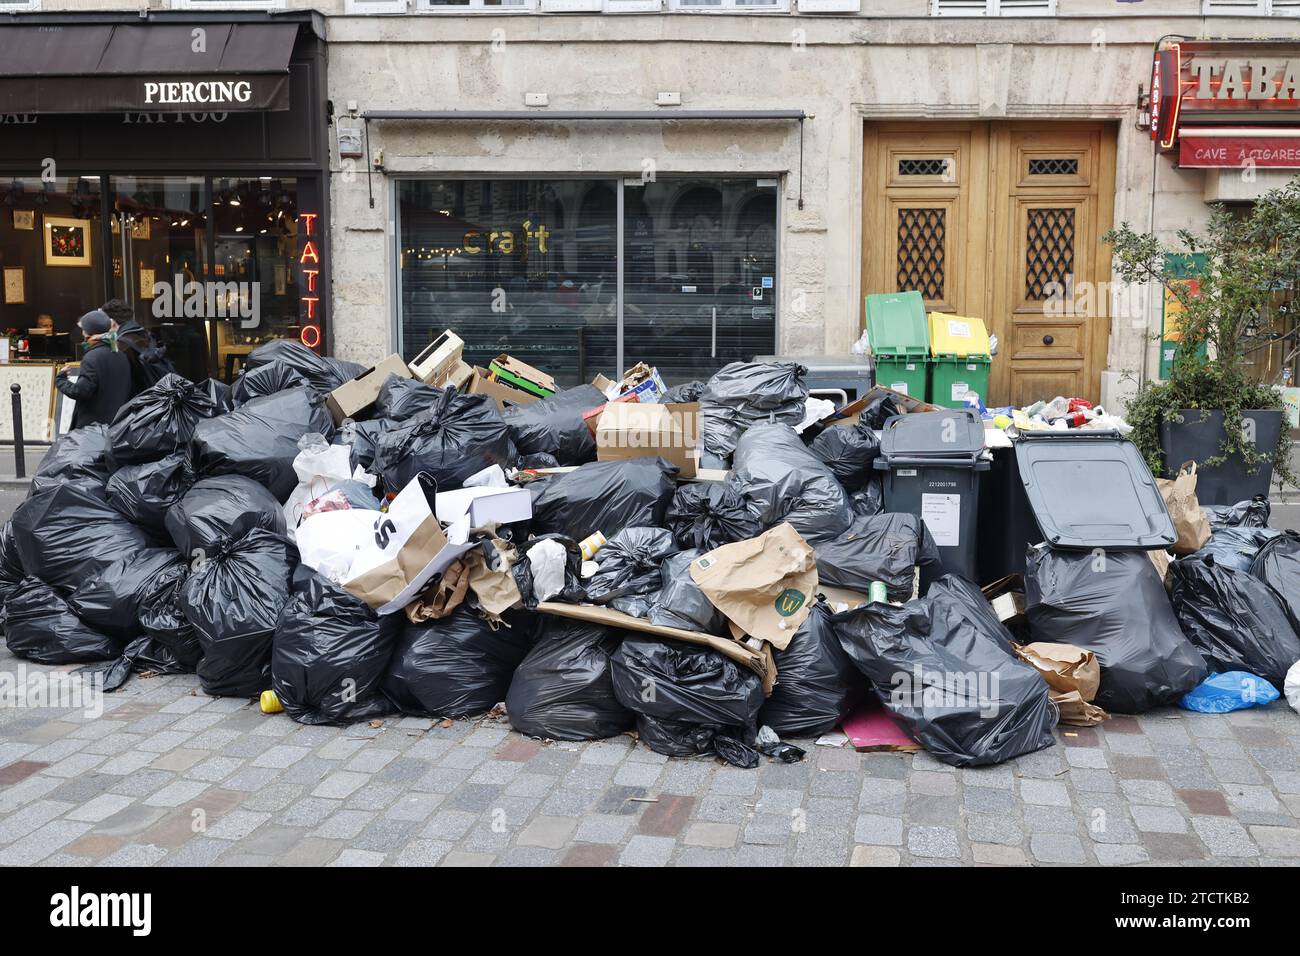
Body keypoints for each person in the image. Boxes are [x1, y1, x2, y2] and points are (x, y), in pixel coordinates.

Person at [56, 309, 132, 429]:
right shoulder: (119, 353)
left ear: (87, 332)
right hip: (117, 425)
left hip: (93, 429)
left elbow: (80, 391)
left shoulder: (92, 357)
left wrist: (61, 379)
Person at [101, 298, 175, 395]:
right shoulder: (145, 334)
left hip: (136, 401)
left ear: (112, 322)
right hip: (154, 397)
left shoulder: (121, 345)